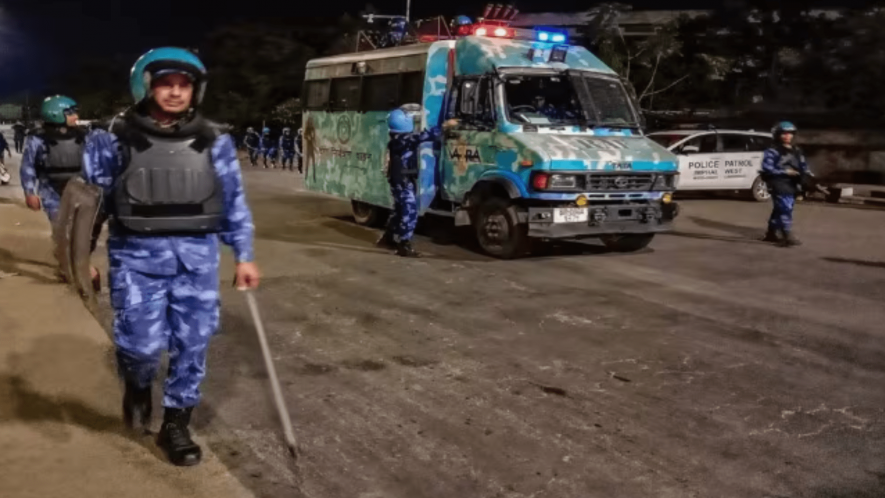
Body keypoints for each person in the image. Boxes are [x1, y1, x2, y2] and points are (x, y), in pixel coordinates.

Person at [81, 47, 260, 467]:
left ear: (195, 90)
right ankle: (138, 385)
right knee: (140, 348)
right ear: (146, 85)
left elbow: (233, 201)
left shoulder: (214, 140)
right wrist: (82, 257)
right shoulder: (113, 138)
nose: (176, 93)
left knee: (192, 346)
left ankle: (177, 424)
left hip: (197, 262)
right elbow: (90, 202)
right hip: (136, 261)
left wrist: (245, 255)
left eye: (184, 85)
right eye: (166, 84)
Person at [376, 108, 457, 257]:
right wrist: (445, 126)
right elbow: (424, 136)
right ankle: (404, 245)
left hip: (401, 180)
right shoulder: (403, 140)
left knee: (400, 210)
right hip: (402, 181)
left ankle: (388, 237)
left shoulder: (397, 138)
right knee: (409, 211)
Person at [20, 95, 84, 224]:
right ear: (56, 113)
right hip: (51, 190)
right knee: (60, 226)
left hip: (80, 187)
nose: (76, 116)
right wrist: (29, 192)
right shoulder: (38, 138)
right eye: (70, 113)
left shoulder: (83, 136)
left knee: (82, 230)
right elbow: (28, 166)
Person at [760, 121, 809, 247]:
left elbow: (803, 165)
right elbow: (767, 168)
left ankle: (771, 233)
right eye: (784, 133)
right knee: (785, 209)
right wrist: (785, 171)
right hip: (778, 182)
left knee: (780, 209)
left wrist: (807, 176)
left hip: (792, 183)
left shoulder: (797, 150)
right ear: (777, 135)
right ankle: (787, 235)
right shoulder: (772, 151)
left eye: (790, 133)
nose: (787, 136)